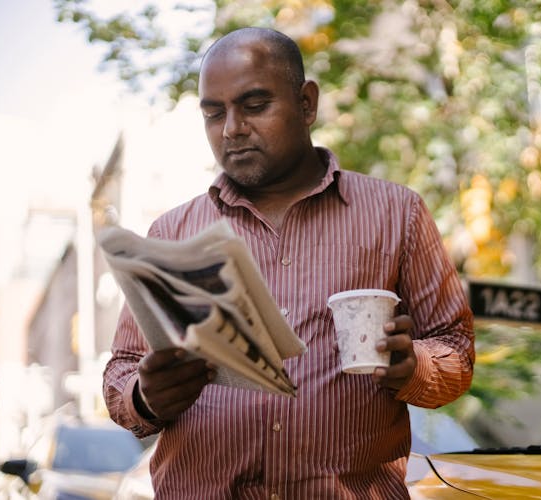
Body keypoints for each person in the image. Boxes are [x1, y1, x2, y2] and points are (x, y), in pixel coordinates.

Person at [103, 27, 474, 499]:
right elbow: (121, 374)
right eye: (214, 113)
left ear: (307, 104)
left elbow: (456, 350)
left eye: (255, 106)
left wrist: (413, 367)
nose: (232, 128)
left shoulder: (397, 214)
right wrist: (145, 395)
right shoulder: (172, 234)